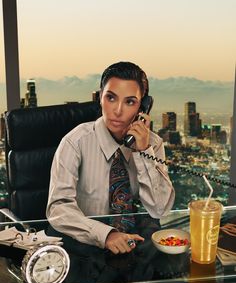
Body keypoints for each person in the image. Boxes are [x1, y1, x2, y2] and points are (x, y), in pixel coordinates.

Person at [46, 61, 175, 255]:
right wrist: (106, 235)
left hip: (133, 246)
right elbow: (58, 209)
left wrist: (143, 152)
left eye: (130, 102)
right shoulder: (75, 142)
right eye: (111, 98)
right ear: (100, 98)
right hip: (83, 246)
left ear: (143, 107)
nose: (118, 111)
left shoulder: (152, 144)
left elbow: (159, 210)